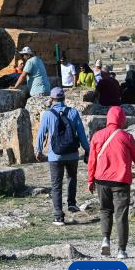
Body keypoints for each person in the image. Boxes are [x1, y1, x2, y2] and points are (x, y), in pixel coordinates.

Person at [87, 107, 135, 259]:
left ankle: (105, 240)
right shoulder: (126, 137)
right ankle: (121, 250)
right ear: (121, 119)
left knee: (105, 210)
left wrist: (90, 180)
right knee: (121, 215)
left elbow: (92, 160)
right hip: (120, 181)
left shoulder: (97, 135)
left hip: (101, 180)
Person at [34, 87, 90, 226]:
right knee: (72, 177)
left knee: (56, 185)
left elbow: (41, 134)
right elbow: (81, 134)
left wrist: (38, 150)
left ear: (52, 99)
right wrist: (87, 150)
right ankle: (71, 203)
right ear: (64, 98)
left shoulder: (47, 114)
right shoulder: (73, 112)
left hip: (55, 155)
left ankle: (58, 216)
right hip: (72, 154)